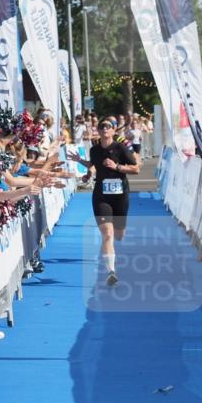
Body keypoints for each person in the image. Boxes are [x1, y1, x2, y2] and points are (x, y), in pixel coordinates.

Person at [67, 118, 139, 286]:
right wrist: (85, 169)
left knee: (119, 235)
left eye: (108, 127)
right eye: (102, 127)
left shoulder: (121, 148)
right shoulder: (95, 150)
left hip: (120, 196)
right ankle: (111, 272)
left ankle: (107, 256)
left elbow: (136, 168)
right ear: (98, 131)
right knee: (108, 234)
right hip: (101, 196)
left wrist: (117, 167)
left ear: (113, 131)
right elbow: (94, 166)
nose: (105, 129)